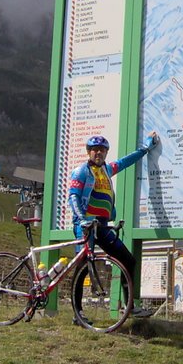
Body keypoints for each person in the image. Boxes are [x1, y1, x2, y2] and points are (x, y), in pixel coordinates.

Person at [68, 132, 158, 322]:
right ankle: (78, 314)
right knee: (83, 265)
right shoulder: (81, 171)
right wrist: (81, 218)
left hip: (101, 225)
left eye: (102, 150)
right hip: (85, 226)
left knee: (128, 260)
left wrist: (146, 148)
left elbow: (126, 161)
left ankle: (130, 307)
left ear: (106, 152)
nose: (98, 153)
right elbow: (73, 197)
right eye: (94, 150)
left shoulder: (108, 170)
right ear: (88, 152)